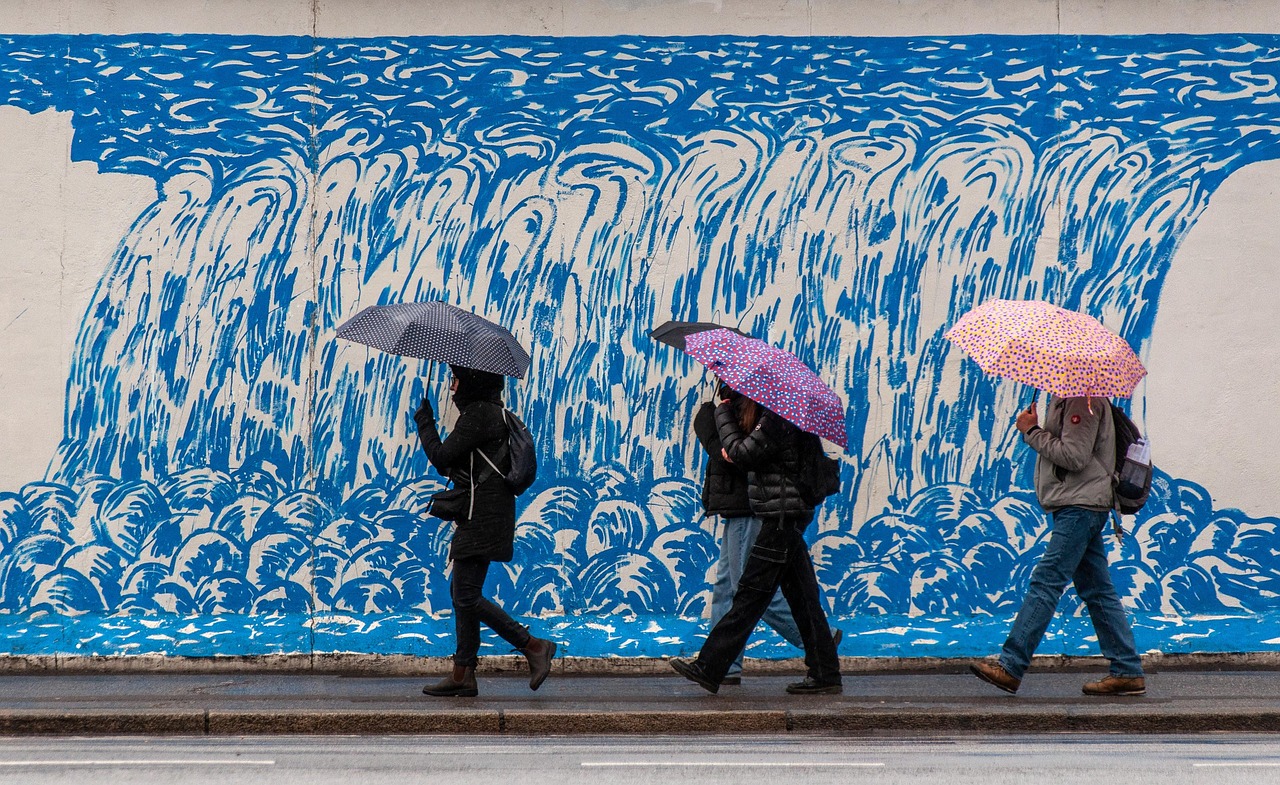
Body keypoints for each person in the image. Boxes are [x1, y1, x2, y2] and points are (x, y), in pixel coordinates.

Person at [970, 395, 1146, 696]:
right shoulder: (1069, 400)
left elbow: (1074, 457)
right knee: (1097, 590)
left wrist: (1032, 432)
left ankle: (1010, 666)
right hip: (1080, 504)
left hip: (1080, 507)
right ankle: (1127, 669)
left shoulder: (1082, 402)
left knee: (1047, 581)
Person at [671, 388, 842, 695]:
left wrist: (719, 414)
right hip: (784, 514)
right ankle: (825, 671)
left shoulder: (776, 417)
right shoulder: (780, 414)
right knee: (802, 597)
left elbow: (741, 454)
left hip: (780, 517)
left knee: (750, 595)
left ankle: (710, 666)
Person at [413, 365, 556, 697]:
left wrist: (425, 422)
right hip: (488, 512)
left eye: (456, 380)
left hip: (482, 516)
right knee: (462, 594)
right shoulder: (492, 414)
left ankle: (533, 646)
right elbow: (462, 462)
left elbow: (441, 455)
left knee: (465, 595)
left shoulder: (479, 414)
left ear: (473, 383)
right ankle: (462, 674)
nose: (452, 388)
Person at [694, 383, 814, 686]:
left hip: (747, 507)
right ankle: (726, 667)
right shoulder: (738, 408)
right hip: (734, 506)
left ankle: (814, 640)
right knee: (725, 588)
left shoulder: (759, 413)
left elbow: (733, 456)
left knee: (748, 589)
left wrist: (713, 421)